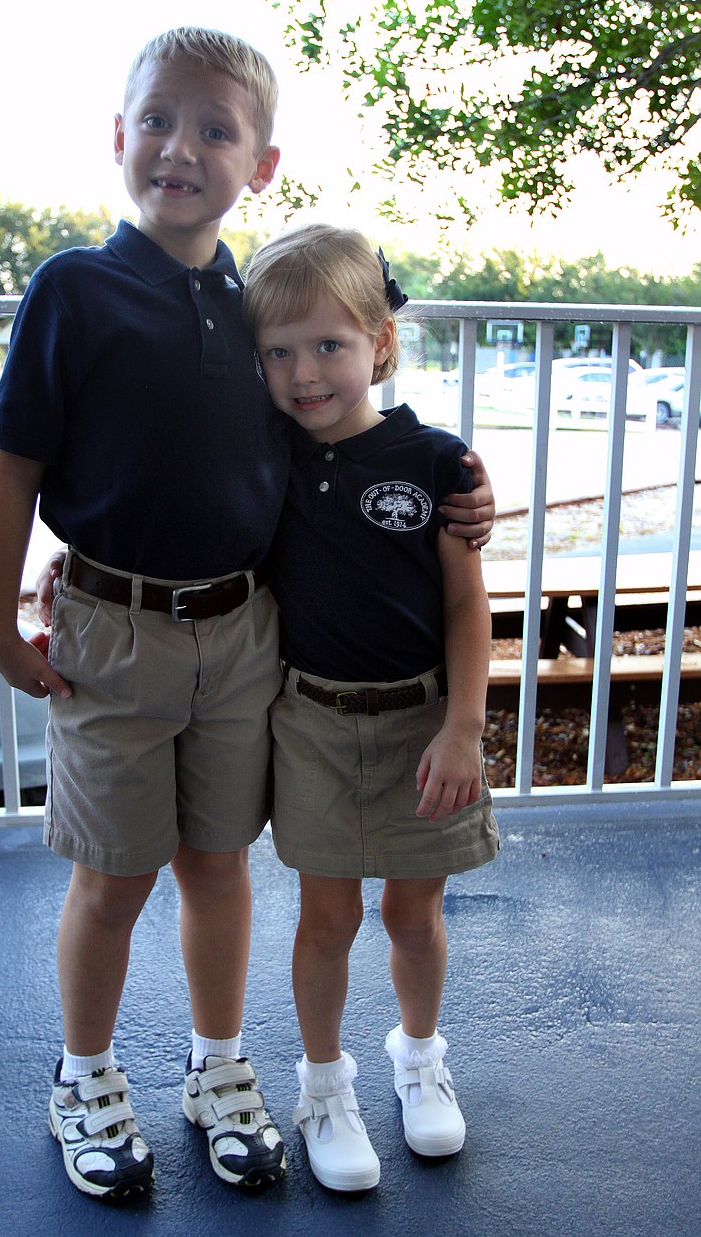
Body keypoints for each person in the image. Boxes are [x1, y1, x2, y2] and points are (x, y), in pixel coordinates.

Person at [0, 26, 496, 1204]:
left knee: (220, 867)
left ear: (260, 164)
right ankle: (87, 1075)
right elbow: (12, 461)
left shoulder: (252, 299)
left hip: (242, 637)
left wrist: (462, 486)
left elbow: (330, 427)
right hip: (113, 631)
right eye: (158, 121)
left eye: (217, 130)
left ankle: (218, 1069)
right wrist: (9, 623)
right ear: (120, 137)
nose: (181, 148)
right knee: (113, 878)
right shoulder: (75, 287)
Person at [241, 223, 500, 1193]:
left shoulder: (435, 462)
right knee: (326, 915)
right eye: (277, 351)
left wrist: (464, 726)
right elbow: (185, 521)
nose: (304, 372)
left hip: (421, 723)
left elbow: (468, 601)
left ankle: (419, 1058)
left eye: (328, 345)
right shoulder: (262, 460)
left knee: (412, 913)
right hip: (309, 721)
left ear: (378, 345)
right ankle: (322, 1083)